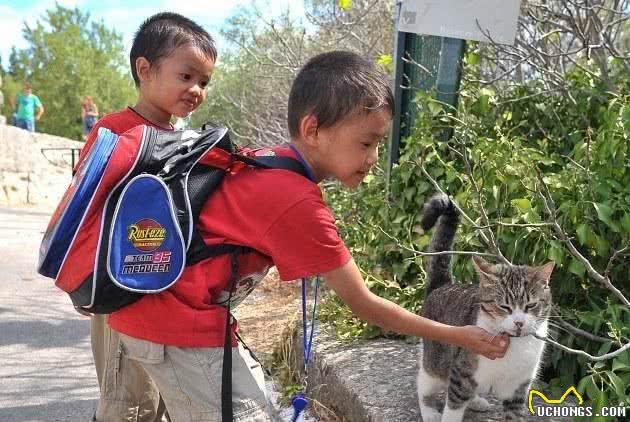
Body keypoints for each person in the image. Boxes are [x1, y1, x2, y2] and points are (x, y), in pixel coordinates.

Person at [105, 50, 510, 422]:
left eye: (377, 144)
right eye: (365, 143)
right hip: (174, 324)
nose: (372, 159)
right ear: (312, 129)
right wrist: (461, 336)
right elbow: (365, 304)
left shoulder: (272, 162)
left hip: (175, 312)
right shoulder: (295, 200)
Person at [74, 12, 216, 422]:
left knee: (174, 398)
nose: (196, 90)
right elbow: (85, 210)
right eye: (187, 75)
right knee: (130, 403)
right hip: (121, 292)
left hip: (170, 292)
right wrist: (85, 282)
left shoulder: (184, 142)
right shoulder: (114, 132)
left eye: (204, 82)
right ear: (145, 69)